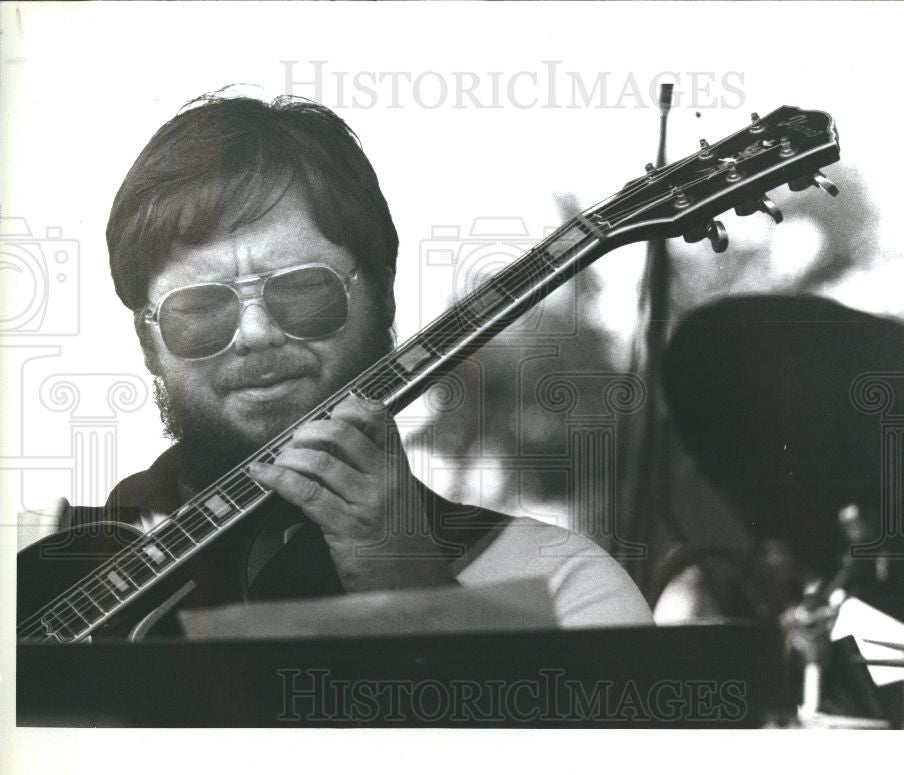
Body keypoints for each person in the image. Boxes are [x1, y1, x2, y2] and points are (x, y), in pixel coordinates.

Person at [19, 93, 652, 632]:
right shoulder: (32, 570)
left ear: (383, 298)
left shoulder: (560, 588)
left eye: (302, 289)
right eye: (201, 309)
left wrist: (412, 591)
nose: (257, 334)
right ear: (149, 344)